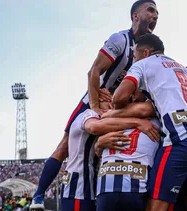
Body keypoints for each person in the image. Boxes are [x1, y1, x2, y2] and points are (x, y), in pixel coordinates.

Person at [30, 1, 159, 209]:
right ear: (135, 15)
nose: (155, 15)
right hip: (94, 100)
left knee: (101, 152)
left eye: (157, 13)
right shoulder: (120, 39)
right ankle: (38, 195)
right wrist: (94, 106)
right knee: (65, 146)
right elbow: (93, 72)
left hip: (115, 106)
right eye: (151, 10)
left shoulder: (145, 54)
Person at [113, 34, 187, 211]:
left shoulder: (142, 64)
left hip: (180, 141)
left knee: (157, 203)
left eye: (135, 55)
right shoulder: (184, 69)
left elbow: (118, 98)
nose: (134, 59)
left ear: (145, 52)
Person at [60, 95, 158, 211]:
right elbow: (95, 129)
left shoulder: (114, 120)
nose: (109, 103)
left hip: (107, 188)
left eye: (110, 99)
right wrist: (99, 144)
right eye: (104, 99)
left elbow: (145, 109)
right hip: (82, 187)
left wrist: (99, 144)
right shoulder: (91, 116)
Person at [95, 97, 160, 211]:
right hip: (107, 188)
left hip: (134, 188)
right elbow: (96, 126)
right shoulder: (108, 120)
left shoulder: (155, 112)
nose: (133, 96)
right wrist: (99, 143)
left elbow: (145, 109)